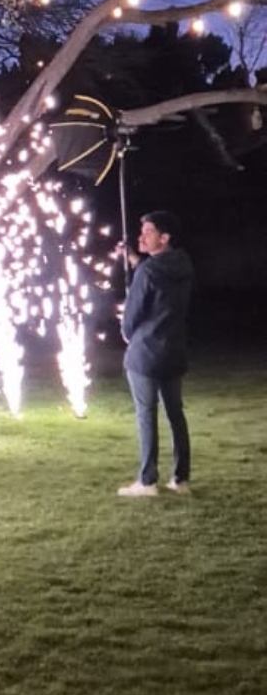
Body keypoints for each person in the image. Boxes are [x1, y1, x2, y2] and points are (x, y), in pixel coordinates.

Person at [117, 210, 194, 497]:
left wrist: (126, 333)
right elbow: (159, 278)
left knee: (146, 415)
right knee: (176, 414)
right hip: (173, 351)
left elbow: (132, 315)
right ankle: (181, 479)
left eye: (148, 231)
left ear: (164, 238)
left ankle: (148, 481)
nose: (141, 236)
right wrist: (136, 262)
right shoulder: (183, 264)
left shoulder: (148, 272)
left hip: (146, 353)